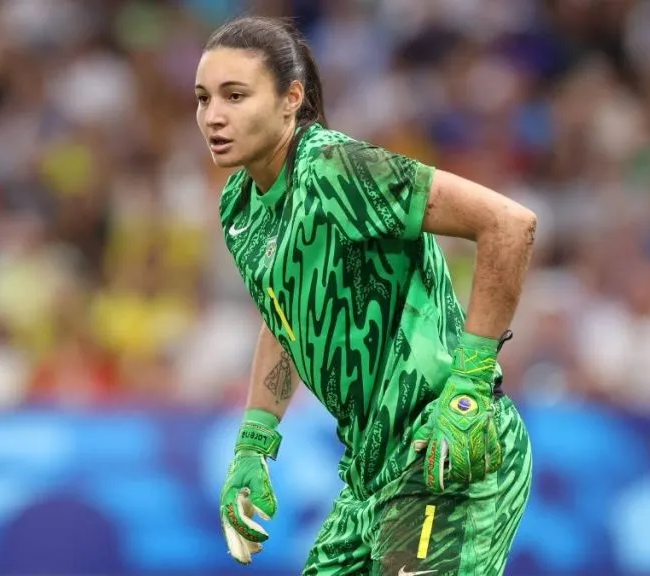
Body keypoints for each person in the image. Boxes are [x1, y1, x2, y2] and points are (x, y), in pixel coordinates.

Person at [196, 16, 537, 576]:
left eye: (236, 95)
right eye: (204, 98)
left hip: (445, 449)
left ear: (290, 99)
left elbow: (508, 223)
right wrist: (253, 444)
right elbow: (286, 316)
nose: (213, 115)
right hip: (371, 474)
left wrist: (471, 385)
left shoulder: (336, 168)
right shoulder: (240, 206)